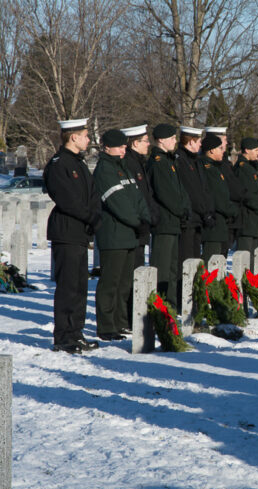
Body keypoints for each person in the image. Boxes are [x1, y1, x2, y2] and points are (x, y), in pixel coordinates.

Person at [44, 118, 101, 353]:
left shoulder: (78, 162)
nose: (89, 139)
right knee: (67, 287)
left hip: (79, 232)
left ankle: (75, 333)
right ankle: (63, 337)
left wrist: (94, 216)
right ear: (73, 137)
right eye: (86, 135)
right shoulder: (59, 164)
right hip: (66, 231)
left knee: (79, 287)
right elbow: (67, 200)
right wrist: (91, 217)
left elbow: (92, 194)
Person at [93, 129, 151, 341]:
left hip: (130, 234)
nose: (123, 149)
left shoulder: (123, 167)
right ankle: (106, 326)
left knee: (125, 282)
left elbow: (137, 197)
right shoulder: (105, 170)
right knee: (110, 282)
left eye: (124, 146)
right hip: (114, 234)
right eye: (119, 146)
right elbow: (119, 204)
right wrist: (137, 221)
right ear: (107, 147)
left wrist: (144, 219)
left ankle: (121, 322)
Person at [148, 123, 191, 309]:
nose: (175, 141)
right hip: (164, 221)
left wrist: (185, 209)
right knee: (163, 269)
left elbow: (180, 191)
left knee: (172, 268)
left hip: (173, 222)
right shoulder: (158, 162)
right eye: (172, 138)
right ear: (161, 140)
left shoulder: (168, 161)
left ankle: (171, 306)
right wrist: (182, 210)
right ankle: (162, 307)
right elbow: (166, 194)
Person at [121, 124, 159, 270]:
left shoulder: (138, 162)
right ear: (135, 143)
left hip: (143, 224)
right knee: (134, 267)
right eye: (145, 140)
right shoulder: (130, 163)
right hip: (136, 226)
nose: (149, 144)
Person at [175, 126, 214, 263]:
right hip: (189, 219)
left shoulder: (195, 160)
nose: (201, 144)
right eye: (198, 141)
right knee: (186, 259)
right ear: (191, 142)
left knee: (196, 260)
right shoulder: (181, 160)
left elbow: (203, 188)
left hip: (198, 219)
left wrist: (208, 211)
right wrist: (204, 212)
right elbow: (192, 191)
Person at [199, 134, 238, 263]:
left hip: (220, 225)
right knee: (211, 264)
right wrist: (234, 210)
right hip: (214, 226)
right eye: (220, 148)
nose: (223, 151)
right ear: (211, 150)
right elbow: (219, 198)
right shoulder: (209, 169)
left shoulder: (215, 167)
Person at [205, 126, 243, 254]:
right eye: (223, 142)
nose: (226, 144)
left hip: (226, 219)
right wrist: (232, 209)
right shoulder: (210, 167)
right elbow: (219, 195)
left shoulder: (222, 163)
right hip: (217, 219)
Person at [235, 137, 258, 254]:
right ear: (247, 150)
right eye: (256, 150)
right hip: (246, 219)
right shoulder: (243, 168)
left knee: (252, 257)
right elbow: (246, 193)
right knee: (245, 257)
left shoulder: (251, 167)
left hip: (253, 219)